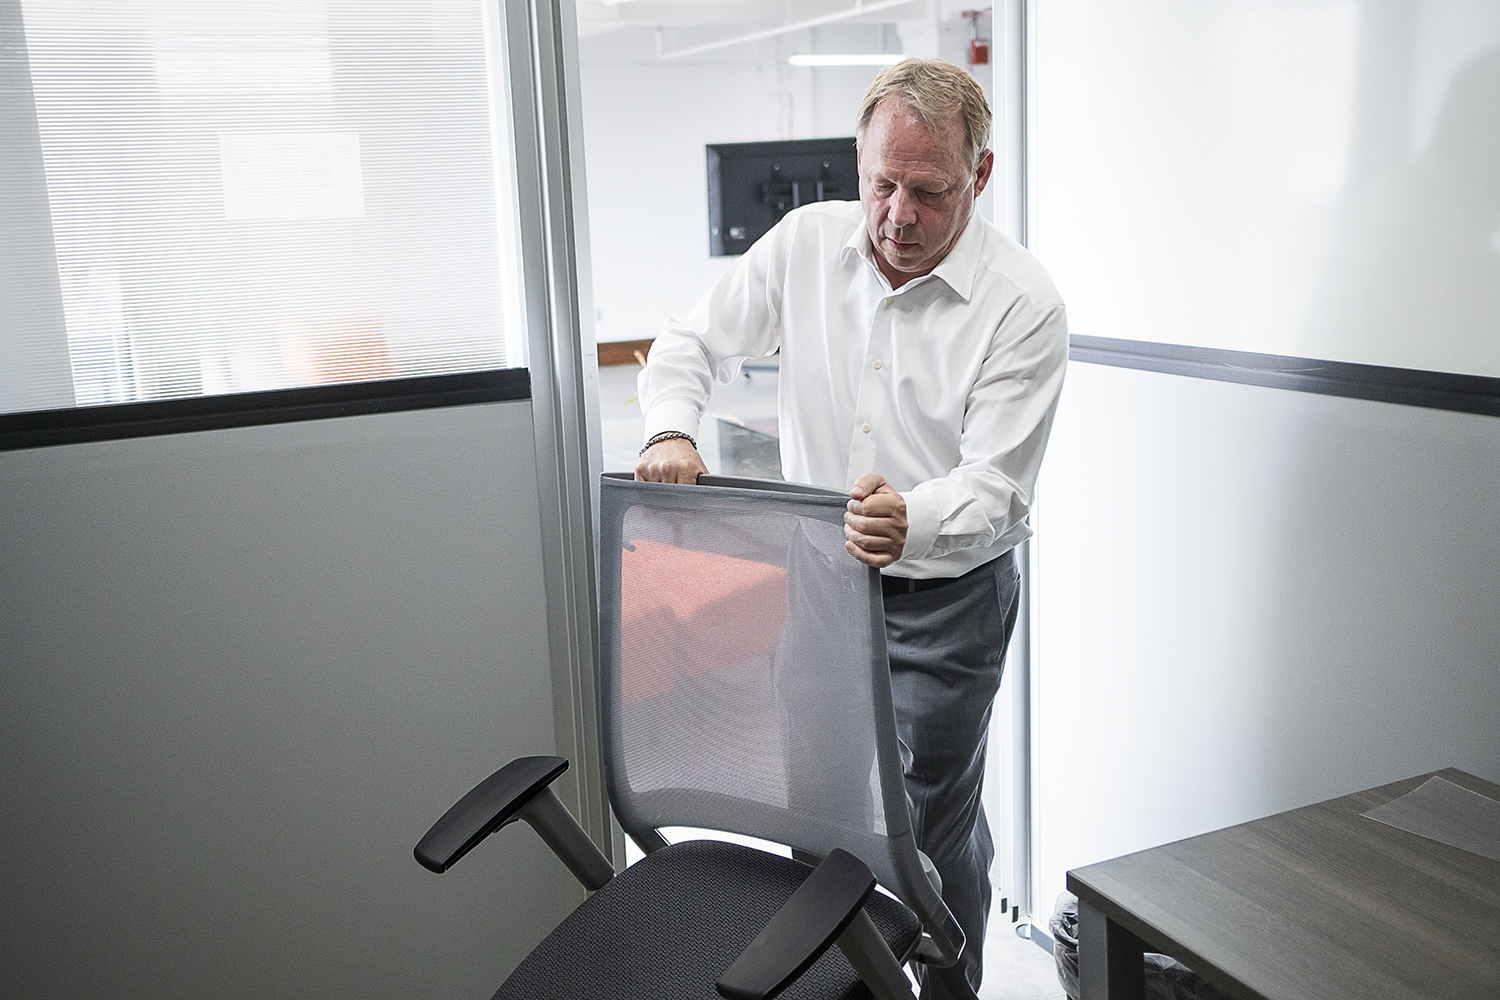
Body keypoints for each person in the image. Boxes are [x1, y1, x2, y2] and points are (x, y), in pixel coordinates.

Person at [635, 58, 1068, 1000]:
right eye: (882, 184)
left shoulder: (1023, 303)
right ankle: (834, 985)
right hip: (821, 583)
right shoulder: (802, 246)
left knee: (921, 826)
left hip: (949, 595)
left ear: (980, 178)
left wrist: (909, 518)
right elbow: (689, 341)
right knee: (819, 808)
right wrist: (672, 424)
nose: (898, 215)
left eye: (929, 191)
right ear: (856, 164)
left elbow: (997, 484)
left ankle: (946, 990)